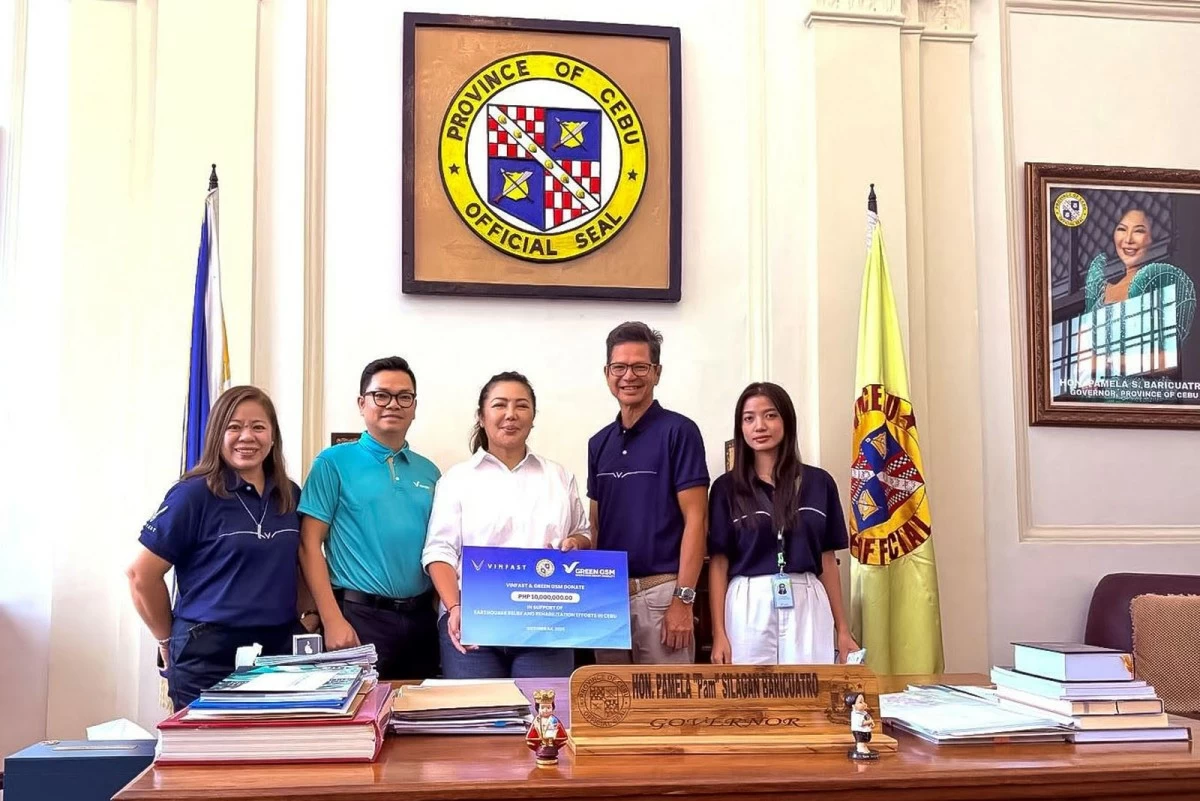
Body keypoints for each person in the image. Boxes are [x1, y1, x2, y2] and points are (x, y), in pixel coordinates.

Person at [127, 386, 307, 709]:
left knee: (277, 755)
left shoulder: (289, 494)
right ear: (216, 434)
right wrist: (166, 640)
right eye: (234, 427)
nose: (246, 437)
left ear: (273, 436)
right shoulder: (192, 495)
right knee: (210, 759)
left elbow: (298, 564)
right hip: (206, 657)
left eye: (258, 427)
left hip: (279, 653)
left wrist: (312, 617)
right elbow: (141, 576)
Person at [422, 371, 590, 678]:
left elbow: (583, 532)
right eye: (500, 405)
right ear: (482, 416)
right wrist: (456, 607)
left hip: (546, 621)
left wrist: (577, 542)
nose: (510, 415)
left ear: (533, 417)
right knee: (478, 721)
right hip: (472, 622)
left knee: (543, 720)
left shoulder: (558, 477)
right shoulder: (456, 479)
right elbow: (438, 552)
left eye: (521, 406)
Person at [298, 357, 441, 679]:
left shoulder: (429, 471)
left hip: (421, 619)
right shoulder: (332, 462)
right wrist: (331, 618)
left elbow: (439, 547)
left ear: (414, 406)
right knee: (359, 719)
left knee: (419, 719)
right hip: (359, 617)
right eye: (381, 395)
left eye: (404, 396)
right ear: (362, 403)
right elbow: (309, 545)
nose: (393, 404)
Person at [707, 382, 857, 665]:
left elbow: (827, 560)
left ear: (787, 420)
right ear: (741, 427)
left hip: (806, 597)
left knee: (810, 692)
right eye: (749, 418)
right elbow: (719, 563)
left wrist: (843, 629)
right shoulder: (726, 488)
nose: (759, 426)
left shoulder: (819, 483)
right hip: (748, 600)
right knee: (750, 698)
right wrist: (719, 634)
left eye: (770, 415)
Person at [588, 322, 709, 664]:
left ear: (656, 372)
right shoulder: (599, 443)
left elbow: (697, 520)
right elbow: (597, 527)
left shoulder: (680, 432)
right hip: (608, 600)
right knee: (612, 711)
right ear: (607, 373)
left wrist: (683, 600)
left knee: (668, 712)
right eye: (619, 367)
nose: (629, 376)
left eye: (640, 366)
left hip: (662, 594)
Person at [1085, 207, 1195, 341]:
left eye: (1139, 231)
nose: (1128, 239)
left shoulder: (1163, 285)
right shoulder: (1103, 291)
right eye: (1122, 229)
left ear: (1152, 238)